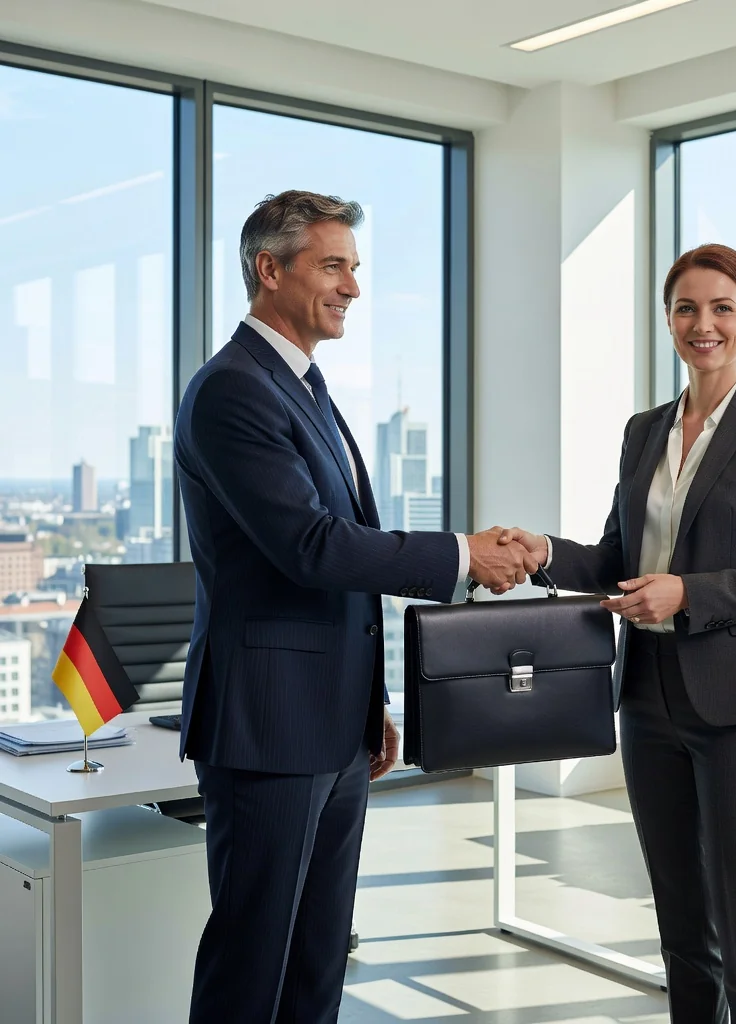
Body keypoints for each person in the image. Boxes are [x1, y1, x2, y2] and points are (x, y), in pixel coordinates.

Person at [173, 190, 536, 1024]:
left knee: (319, 958)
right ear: (270, 270)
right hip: (269, 728)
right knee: (251, 965)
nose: (353, 288)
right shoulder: (232, 389)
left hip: (331, 726)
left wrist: (368, 705)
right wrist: (462, 554)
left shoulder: (303, 385)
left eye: (355, 267)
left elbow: (342, 563)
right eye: (333, 266)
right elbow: (312, 546)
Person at [499, 243, 736, 1023]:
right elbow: (619, 561)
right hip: (649, 702)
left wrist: (688, 594)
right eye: (686, 308)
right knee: (682, 928)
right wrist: (543, 552)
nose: (703, 324)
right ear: (669, 321)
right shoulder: (644, 431)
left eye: (721, 308)